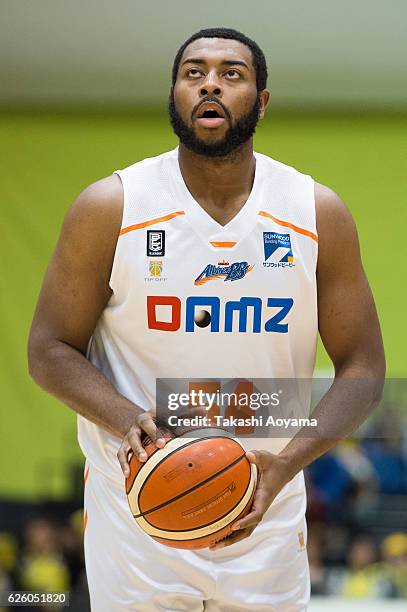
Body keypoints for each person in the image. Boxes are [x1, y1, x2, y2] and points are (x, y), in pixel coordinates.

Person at [28, 27, 385, 611]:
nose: (210, 83)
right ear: (174, 93)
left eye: (231, 73)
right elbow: (48, 349)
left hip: (263, 504)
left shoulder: (314, 212)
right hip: (136, 509)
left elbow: (365, 367)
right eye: (193, 73)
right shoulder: (112, 206)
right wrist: (127, 421)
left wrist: (287, 465)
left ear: (262, 101)